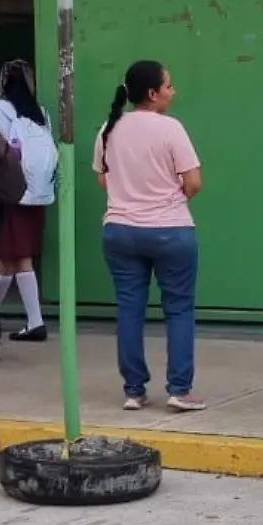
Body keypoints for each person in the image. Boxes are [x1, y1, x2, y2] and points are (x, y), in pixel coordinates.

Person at [94, 60, 205, 413]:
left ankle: (133, 390)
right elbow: (194, 182)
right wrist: (168, 199)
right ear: (153, 93)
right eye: (169, 86)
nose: (173, 92)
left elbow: (103, 179)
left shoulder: (108, 129)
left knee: (129, 308)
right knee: (179, 309)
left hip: (120, 231)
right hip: (170, 230)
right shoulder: (170, 128)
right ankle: (179, 389)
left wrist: (130, 196)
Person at [0, 60, 57, 343]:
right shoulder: (40, 113)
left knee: (12, 257)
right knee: (14, 258)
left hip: (6, 190)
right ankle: (1, 319)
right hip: (35, 192)